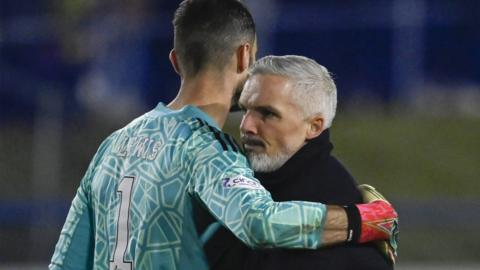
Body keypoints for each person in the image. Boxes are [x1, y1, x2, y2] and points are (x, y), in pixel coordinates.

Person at [49, 1, 398, 269]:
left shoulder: (115, 144)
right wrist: (365, 219)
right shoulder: (208, 150)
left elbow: (65, 260)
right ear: (245, 55)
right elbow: (261, 222)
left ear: (175, 61)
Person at [196, 55, 396, 270]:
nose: (246, 126)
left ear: (314, 126)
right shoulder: (227, 179)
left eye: (268, 113)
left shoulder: (338, 210)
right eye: (245, 110)